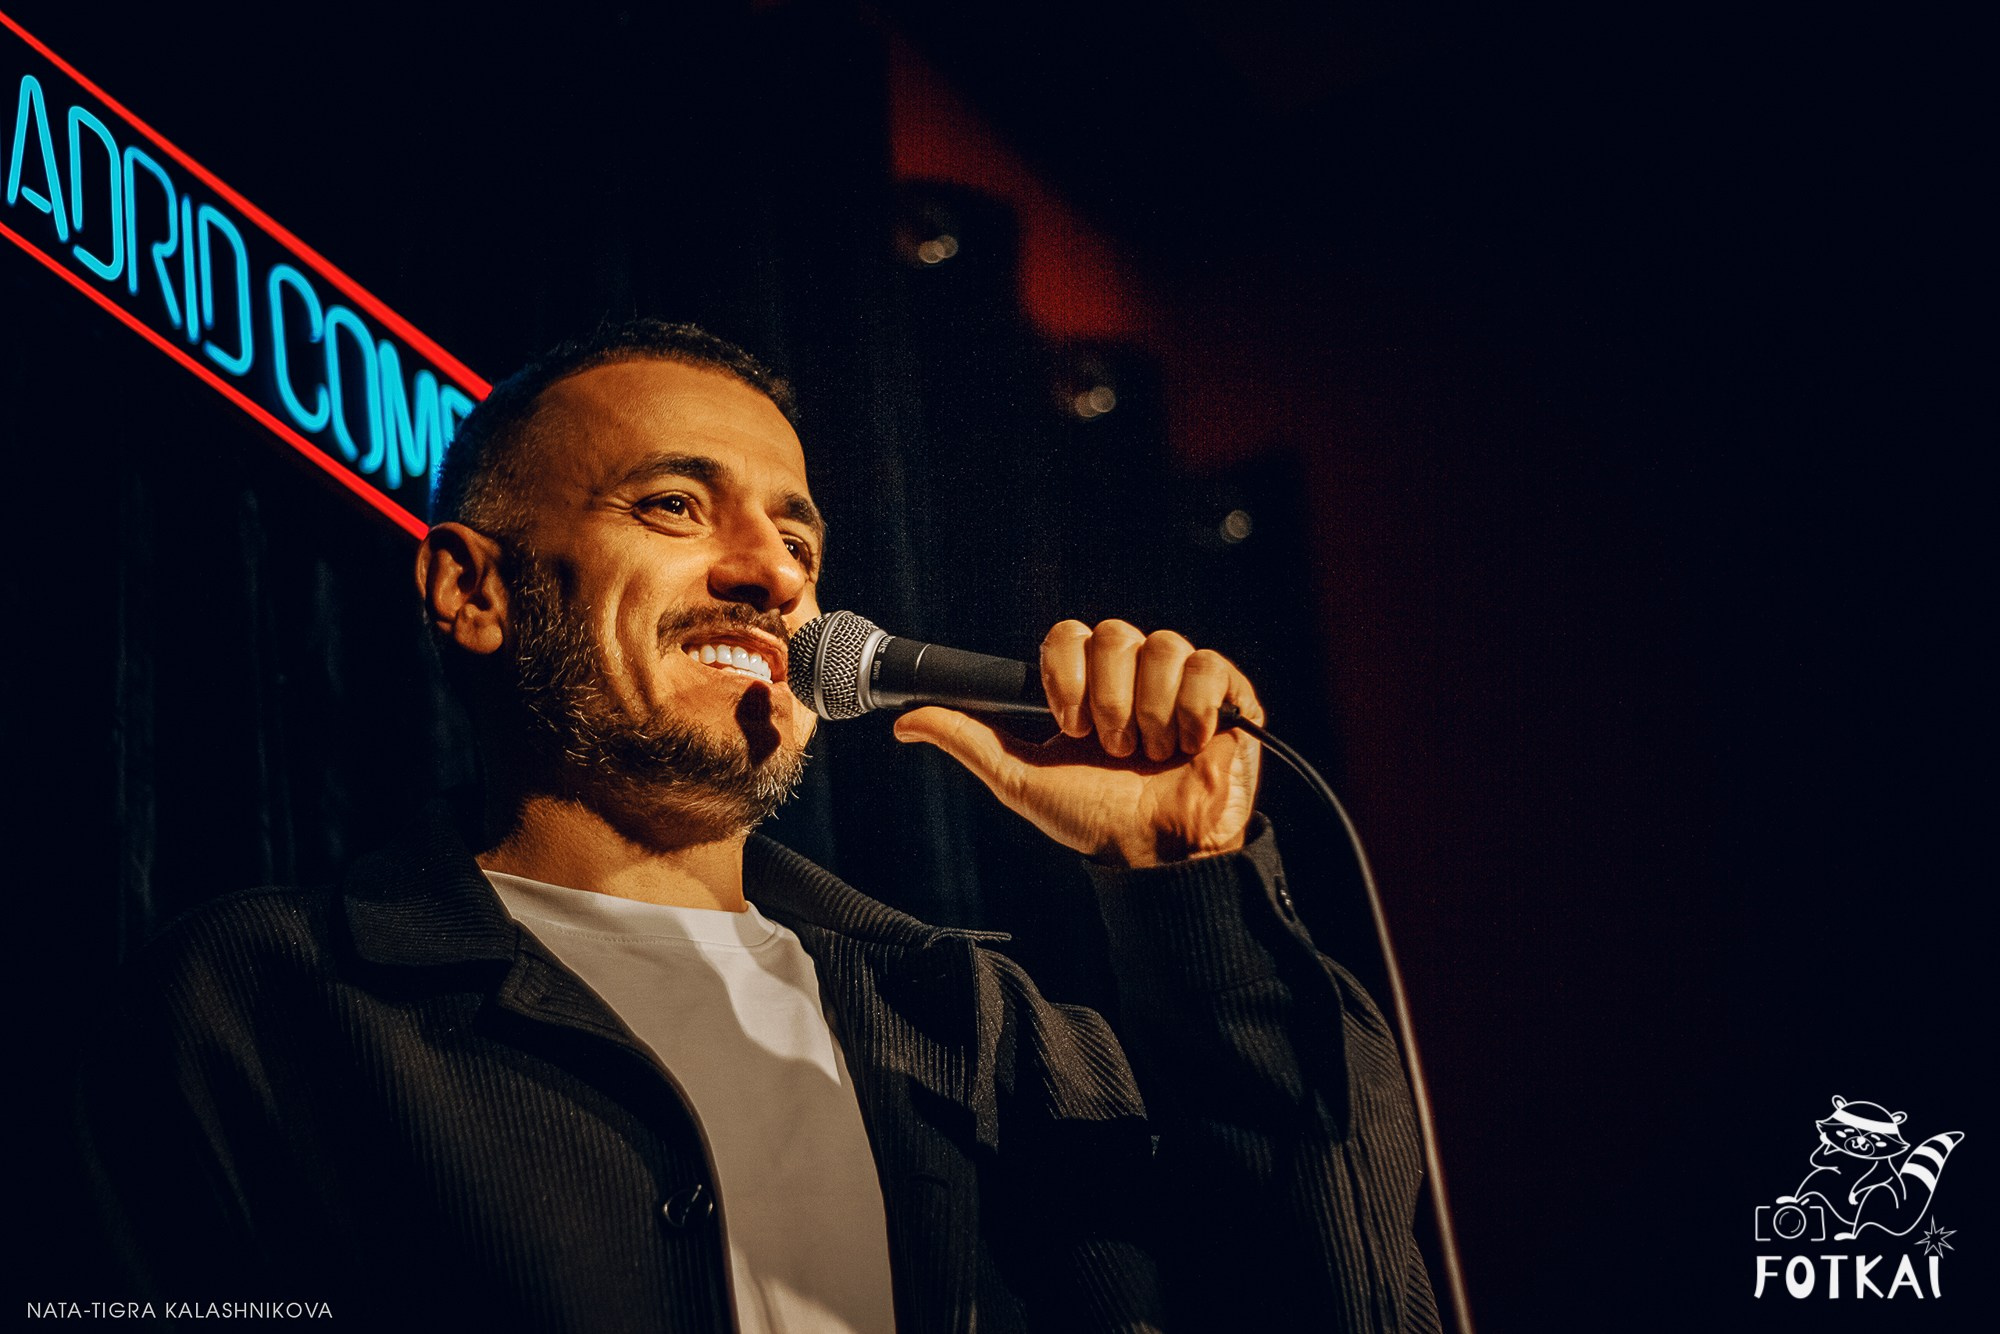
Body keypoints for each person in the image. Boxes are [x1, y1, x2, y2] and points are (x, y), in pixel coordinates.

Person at [75, 321, 1438, 1332]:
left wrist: (1185, 884)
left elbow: (1345, 1301)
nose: (773, 573)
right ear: (470, 589)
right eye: (673, 504)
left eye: (800, 538)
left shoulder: (980, 1032)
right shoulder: (260, 1005)